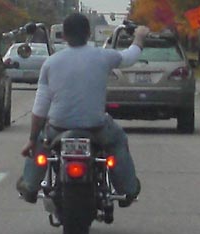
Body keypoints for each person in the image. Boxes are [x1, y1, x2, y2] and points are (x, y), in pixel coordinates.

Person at [16, 13, 150, 207]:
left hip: (58, 126)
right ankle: (127, 188)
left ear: (64, 36)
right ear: (88, 34)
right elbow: (130, 57)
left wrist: (31, 140)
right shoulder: (103, 56)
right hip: (96, 126)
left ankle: (30, 185)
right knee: (118, 140)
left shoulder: (51, 63)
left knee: (39, 142)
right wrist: (139, 37)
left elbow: (40, 109)